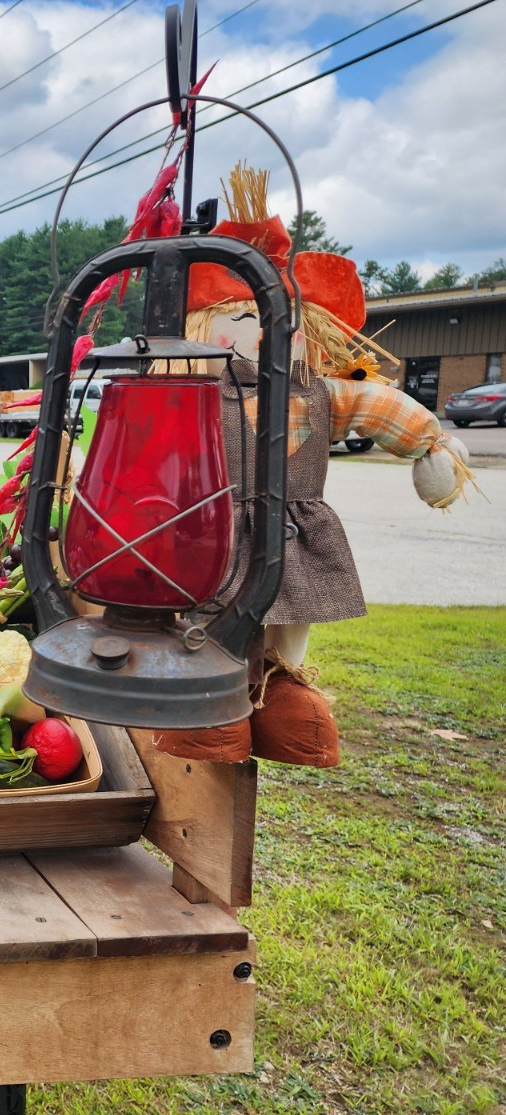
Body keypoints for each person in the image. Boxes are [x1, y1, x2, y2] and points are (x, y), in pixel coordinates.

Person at [153, 164, 473, 767]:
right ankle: (209, 699)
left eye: (274, 324)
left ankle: (277, 689)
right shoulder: (191, 391)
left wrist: (430, 445)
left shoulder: (323, 392)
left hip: (291, 530)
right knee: (212, 610)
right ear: (202, 330)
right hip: (210, 528)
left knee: (287, 607)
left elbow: (379, 406)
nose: (259, 337)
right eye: (239, 323)